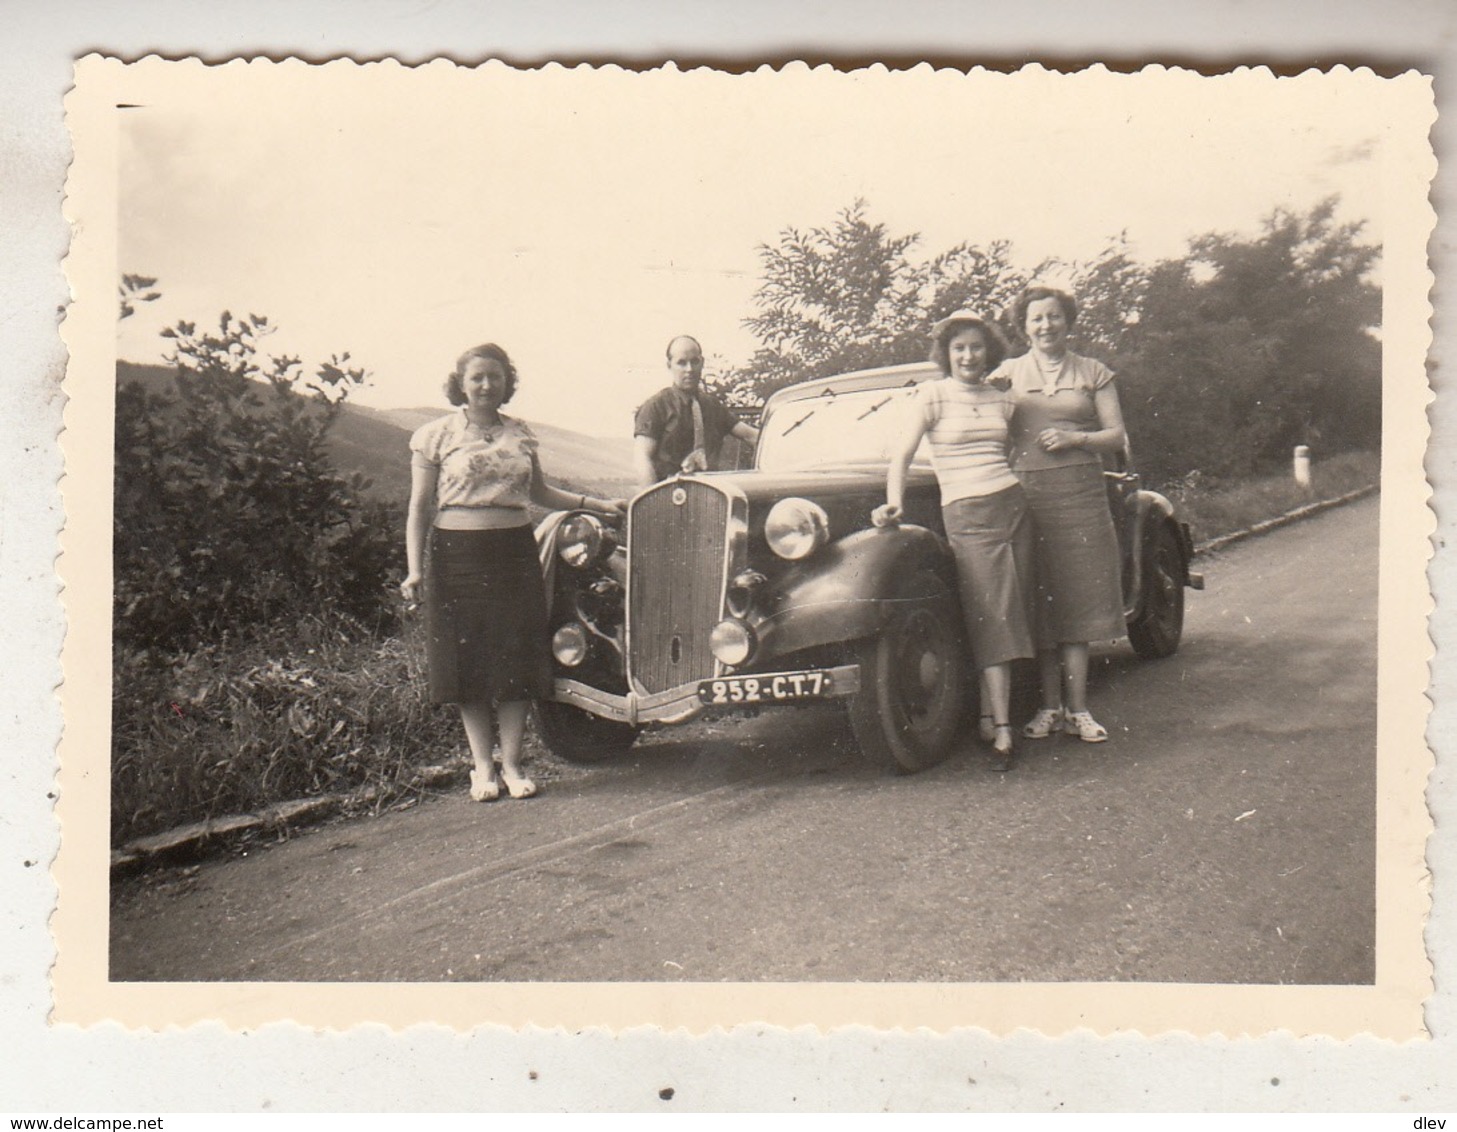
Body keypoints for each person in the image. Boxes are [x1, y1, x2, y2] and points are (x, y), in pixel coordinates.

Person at [401, 343, 624, 802]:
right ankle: (482, 768)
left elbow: (539, 491)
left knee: (517, 657)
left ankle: (514, 764)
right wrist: (413, 570)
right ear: (461, 383)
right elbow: (420, 506)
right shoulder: (434, 436)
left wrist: (597, 504)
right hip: (457, 556)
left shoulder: (520, 434)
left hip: (514, 553)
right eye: (478, 377)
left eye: (495, 377)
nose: (486, 385)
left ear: (507, 383)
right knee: (469, 664)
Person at [871, 311, 1035, 770]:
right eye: (959, 348)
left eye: (976, 347)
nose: (968, 356)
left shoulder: (1002, 399)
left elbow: (1015, 450)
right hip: (966, 510)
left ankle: (988, 717)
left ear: (990, 352)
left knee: (1012, 609)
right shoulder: (933, 396)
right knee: (993, 613)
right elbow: (901, 456)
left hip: (1013, 506)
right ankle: (1004, 730)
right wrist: (894, 504)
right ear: (946, 353)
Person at [992, 286, 1128, 744]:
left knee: (1080, 599)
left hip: (1081, 496)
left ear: (1068, 321)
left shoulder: (1094, 372)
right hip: (1028, 494)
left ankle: (1080, 710)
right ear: (1024, 326)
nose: (1046, 326)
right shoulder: (1007, 372)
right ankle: (1048, 709)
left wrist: (1075, 440)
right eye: (1036, 319)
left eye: (1053, 317)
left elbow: (1116, 436)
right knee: (1042, 603)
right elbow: (975, 411)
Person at [633, 334, 760, 487]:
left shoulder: (712, 406)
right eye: (681, 363)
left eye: (695, 362)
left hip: (711, 494)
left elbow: (751, 436)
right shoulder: (656, 407)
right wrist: (654, 504)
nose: (689, 369)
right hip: (670, 494)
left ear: (702, 362)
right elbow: (642, 458)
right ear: (669, 365)